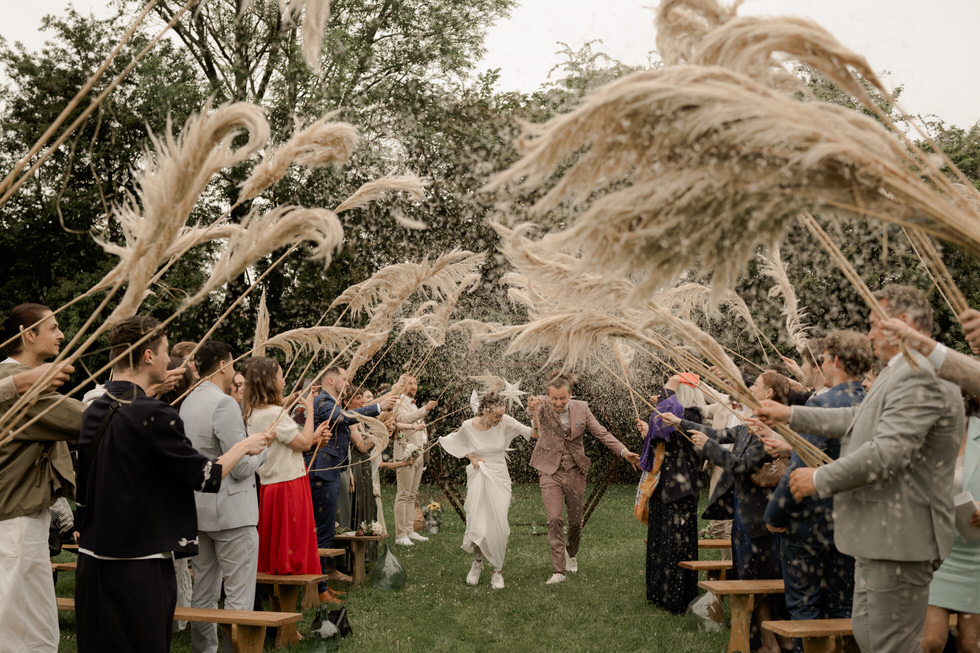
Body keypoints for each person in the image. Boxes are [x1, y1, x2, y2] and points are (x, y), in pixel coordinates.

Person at [757, 285, 964, 652]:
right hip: (880, 536)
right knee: (870, 635)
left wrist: (819, 478)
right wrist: (790, 414)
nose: (868, 335)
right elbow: (858, 417)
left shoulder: (921, 376)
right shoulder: (897, 370)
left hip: (901, 537)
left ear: (902, 324)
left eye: (873, 325)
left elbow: (887, 454)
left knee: (891, 644)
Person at [74, 316, 271, 653]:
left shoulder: (94, 406)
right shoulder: (157, 415)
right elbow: (204, 475)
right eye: (165, 351)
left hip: (92, 560)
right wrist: (244, 446)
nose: (171, 360)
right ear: (148, 355)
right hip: (139, 563)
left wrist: (153, 391)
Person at [665, 369, 792, 653]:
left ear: (769, 393)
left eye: (756, 384)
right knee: (747, 581)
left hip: (761, 519)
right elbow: (720, 433)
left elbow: (741, 466)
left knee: (762, 583)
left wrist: (708, 447)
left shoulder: (773, 430)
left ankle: (776, 640)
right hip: (743, 516)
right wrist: (680, 423)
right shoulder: (752, 424)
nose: (751, 387)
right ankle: (763, 641)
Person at [763, 331, 872, 652]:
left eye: (823, 358)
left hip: (811, 529)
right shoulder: (871, 402)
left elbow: (801, 470)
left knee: (805, 611)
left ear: (835, 361)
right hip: (856, 524)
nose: (820, 364)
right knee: (845, 608)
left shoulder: (821, 404)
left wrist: (774, 516)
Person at [0, 303, 83, 653]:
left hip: (26, 517)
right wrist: (138, 392)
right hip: (14, 520)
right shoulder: (16, 383)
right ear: (27, 334)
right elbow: (82, 420)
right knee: (16, 627)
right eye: (53, 328)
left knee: (34, 623)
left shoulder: (21, 380)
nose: (62, 335)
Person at [180, 341, 268, 653]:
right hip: (232, 512)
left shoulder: (187, 401)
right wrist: (264, 451)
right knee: (238, 594)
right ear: (220, 365)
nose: (233, 371)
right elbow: (242, 466)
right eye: (231, 365)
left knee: (202, 593)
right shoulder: (224, 404)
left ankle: (203, 650)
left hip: (199, 510)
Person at [527, 371, 640, 584]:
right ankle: (558, 571)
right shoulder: (540, 403)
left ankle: (572, 553)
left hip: (575, 470)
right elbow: (532, 409)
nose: (558, 402)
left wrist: (625, 453)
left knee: (576, 522)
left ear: (570, 394)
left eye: (562, 398)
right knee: (554, 519)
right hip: (549, 469)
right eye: (554, 398)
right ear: (547, 396)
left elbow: (602, 433)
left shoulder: (583, 408)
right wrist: (532, 408)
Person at [242, 358, 337, 600]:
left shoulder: (252, 412)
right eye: (281, 376)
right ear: (270, 381)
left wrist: (313, 438)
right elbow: (303, 443)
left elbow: (293, 444)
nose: (284, 380)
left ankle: (288, 611)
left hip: (270, 486)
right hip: (289, 486)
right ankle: (287, 626)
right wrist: (311, 409)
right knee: (290, 557)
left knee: (278, 555)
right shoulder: (274, 414)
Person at [308, 365, 395, 593]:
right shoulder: (324, 402)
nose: (347, 383)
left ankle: (322, 584)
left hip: (331, 472)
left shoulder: (331, 401)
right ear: (330, 380)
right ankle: (319, 588)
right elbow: (343, 418)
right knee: (322, 531)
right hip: (322, 475)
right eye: (344, 379)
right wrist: (377, 407)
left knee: (326, 530)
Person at [439, 392, 536, 589]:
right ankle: (477, 562)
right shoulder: (468, 426)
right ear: (484, 410)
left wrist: (536, 416)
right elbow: (455, 441)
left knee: (500, 527)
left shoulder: (506, 422)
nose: (499, 420)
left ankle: (497, 571)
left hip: (500, 478)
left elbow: (533, 434)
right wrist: (471, 458)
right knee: (477, 525)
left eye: (502, 415)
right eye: (496, 416)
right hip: (478, 477)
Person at [636, 373, 706, 613]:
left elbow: (668, 423)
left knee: (676, 544)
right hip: (666, 487)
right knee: (661, 539)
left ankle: (677, 597)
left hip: (680, 489)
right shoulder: (680, 413)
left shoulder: (693, 414)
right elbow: (662, 433)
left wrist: (669, 388)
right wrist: (648, 429)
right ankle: (660, 593)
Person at [922, 403, 980, 653]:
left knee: (970, 643)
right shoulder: (928, 435)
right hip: (936, 552)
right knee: (932, 641)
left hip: (976, 555)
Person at [391, 373, 437, 546]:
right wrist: (424, 410)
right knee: (403, 494)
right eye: (410, 383)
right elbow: (403, 420)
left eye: (416, 383)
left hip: (417, 454)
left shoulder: (412, 403)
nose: (414, 387)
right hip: (405, 454)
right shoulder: (398, 401)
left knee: (412, 495)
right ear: (402, 385)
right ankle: (400, 534)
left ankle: (409, 530)